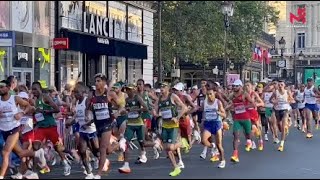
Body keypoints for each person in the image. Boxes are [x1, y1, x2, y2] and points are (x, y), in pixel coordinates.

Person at [0, 80, 39, 179]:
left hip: (14, 129)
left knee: (5, 152)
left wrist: (22, 113)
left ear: (8, 88)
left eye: (2, 87)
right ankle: (38, 153)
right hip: (3, 130)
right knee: (20, 153)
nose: (0, 89)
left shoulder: (15, 98)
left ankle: (1, 176)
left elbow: (29, 106)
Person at [31, 81, 71, 176]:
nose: (34, 91)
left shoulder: (45, 97)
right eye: (32, 89)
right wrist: (36, 123)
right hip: (41, 127)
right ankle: (43, 165)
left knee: (58, 147)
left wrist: (45, 110)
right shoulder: (35, 100)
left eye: (35, 89)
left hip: (50, 126)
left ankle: (65, 163)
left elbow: (57, 109)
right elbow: (38, 114)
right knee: (35, 146)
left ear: (40, 89)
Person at [85, 73, 119, 179]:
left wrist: (116, 111)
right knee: (107, 150)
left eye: (99, 81)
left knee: (102, 149)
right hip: (97, 124)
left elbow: (120, 105)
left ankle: (98, 173)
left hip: (108, 123)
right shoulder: (92, 95)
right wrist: (88, 116)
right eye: (95, 81)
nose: (96, 83)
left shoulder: (109, 93)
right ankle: (119, 143)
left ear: (104, 82)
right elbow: (88, 108)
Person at [155, 82, 188, 176]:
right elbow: (155, 109)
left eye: (163, 87)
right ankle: (176, 168)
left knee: (170, 147)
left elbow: (184, 108)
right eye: (160, 87)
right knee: (167, 149)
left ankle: (182, 142)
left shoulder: (173, 96)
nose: (161, 89)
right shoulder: (159, 99)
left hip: (173, 126)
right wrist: (156, 114)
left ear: (168, 88)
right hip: (165, 125)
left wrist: (177, 117)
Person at [201, 87, 226, 168]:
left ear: (214, 93)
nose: (209, 96)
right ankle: (212, 146)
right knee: (204, 141)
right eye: (207, 94)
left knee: (219, 145)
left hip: (217, 124)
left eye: (211, 94)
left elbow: (224, 114)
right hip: (208, 123)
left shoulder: (218, 102)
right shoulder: (205, 103)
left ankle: (222, 160)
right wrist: (202, 122)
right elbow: (204, 113)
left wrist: (219, 113)